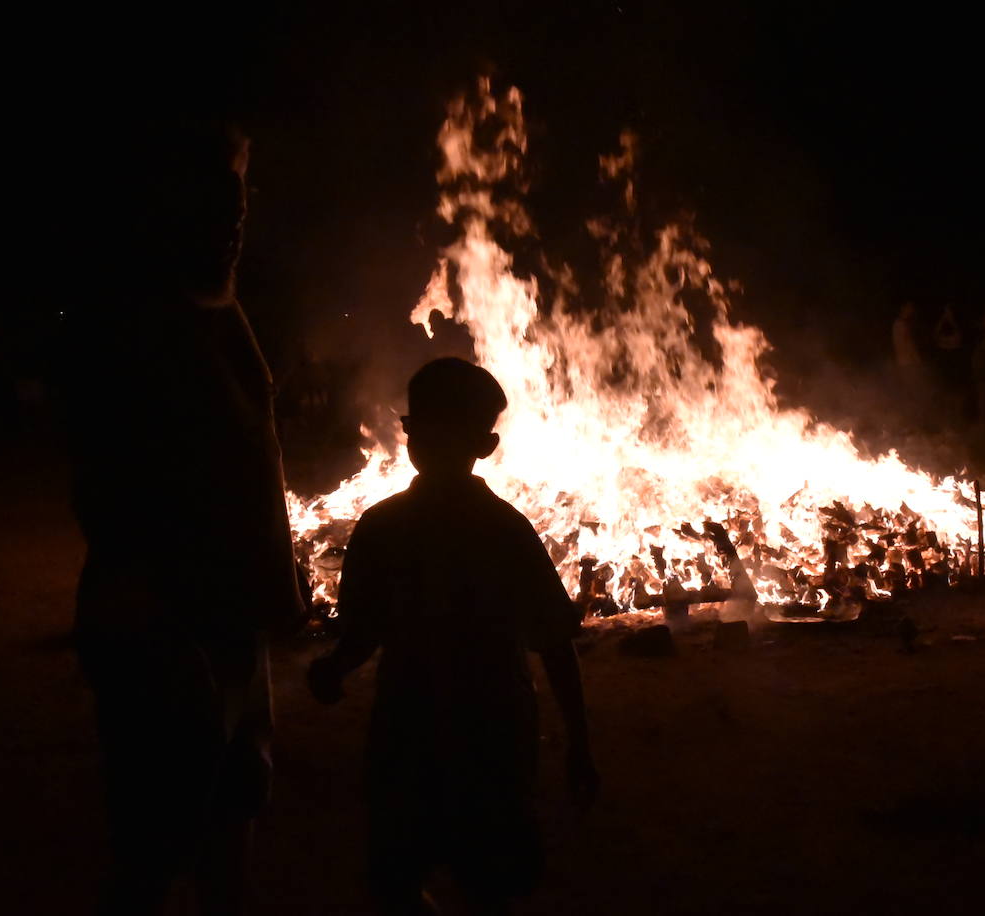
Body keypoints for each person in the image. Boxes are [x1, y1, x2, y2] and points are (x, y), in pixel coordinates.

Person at [59, 120, 305, 914]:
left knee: (235, 810)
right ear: (159, 213)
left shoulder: (220, 312)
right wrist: (155, 623)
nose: (231, 225)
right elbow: (111, 483)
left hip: (229, 623)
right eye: (210, 208)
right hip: (164, 626)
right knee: (158, 843)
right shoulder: (134, 328)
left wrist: (275, 591)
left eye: (238, 205)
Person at [307, 358, 598, 915]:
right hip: (493, 732)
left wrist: (332, 670)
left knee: (398, 875)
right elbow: (555, 646)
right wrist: (580, 745)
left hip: (406, 728)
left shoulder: (382, 527)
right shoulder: (506, 529)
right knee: (488, 883)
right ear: (485, 445)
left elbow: (362, 636)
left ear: (408, 436)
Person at [932, 303, 968, 425]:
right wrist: (943, 319)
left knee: (957, 392)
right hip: (945, 365)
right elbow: (935, 336)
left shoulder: (957, 327)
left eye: (949, 312)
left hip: (955, 365)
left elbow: (958, 338)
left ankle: (958, 418)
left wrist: (951, 320)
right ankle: (948, 419)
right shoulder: (943, 328)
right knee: (945, 392)